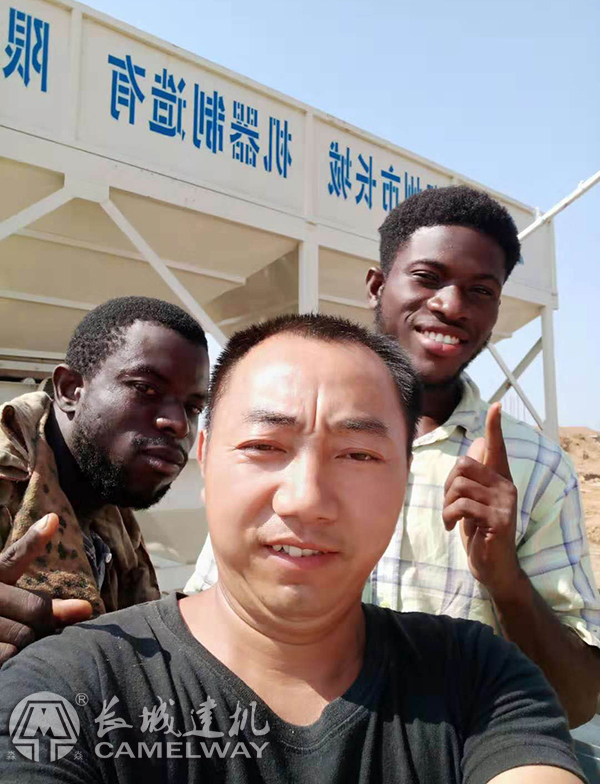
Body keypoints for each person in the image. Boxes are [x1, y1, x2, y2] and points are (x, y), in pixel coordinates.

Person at [0, 314, 585, 783]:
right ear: (205, 458)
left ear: (406, 476)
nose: (306, 500)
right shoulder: (67, 684)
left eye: (358, 455)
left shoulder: (479, 678)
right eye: (264, 445)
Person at [187, 186, 600, 728]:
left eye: (480, 290)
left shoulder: (535, 468)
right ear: (377, 287)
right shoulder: (280, 446)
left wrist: (504, 578)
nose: (452, 305)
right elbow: (205, 628)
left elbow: (577, 701)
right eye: (428, 278)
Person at [0, 296, 209, 665]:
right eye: (146, 389)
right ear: (70, 390)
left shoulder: (112, 512)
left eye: (192, 407)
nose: (179, 424)